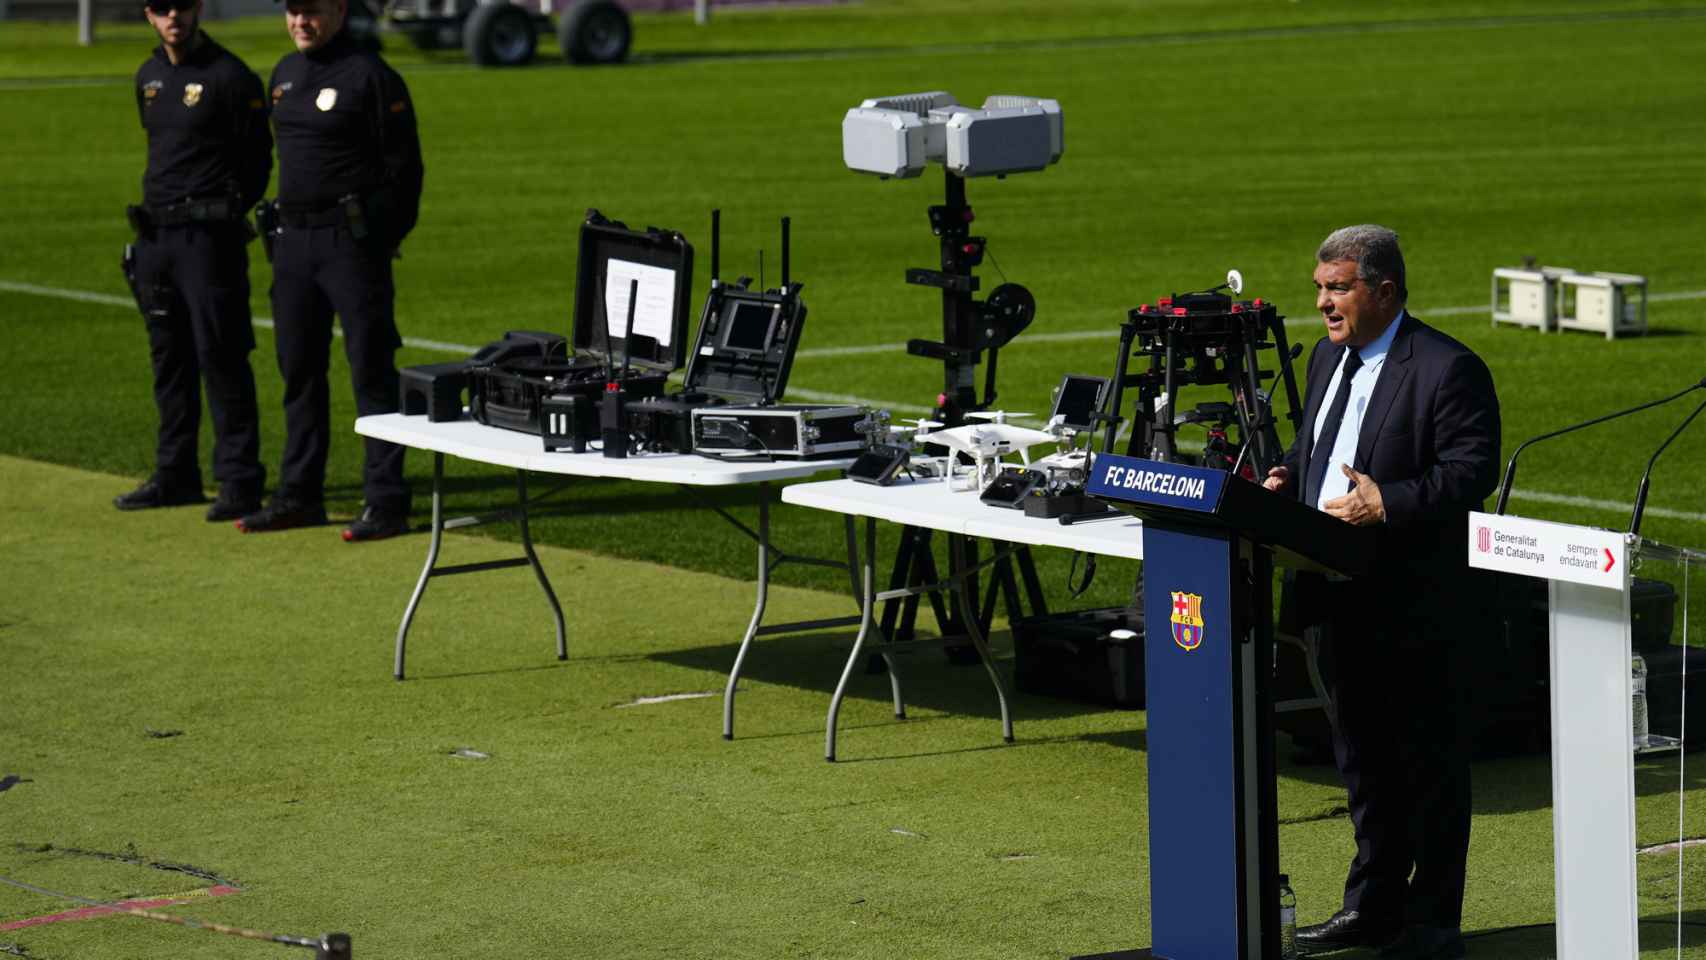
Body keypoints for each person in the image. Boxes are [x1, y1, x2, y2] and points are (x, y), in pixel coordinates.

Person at [1263, 225, 1501, 960]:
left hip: (1413, 599)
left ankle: (1431, 924)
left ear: (1385, 290)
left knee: (1426, 764)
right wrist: (1282, 478)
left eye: (1338, 288)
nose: (1324, 304)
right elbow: (1317, 450)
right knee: (1361, 760)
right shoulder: (1325, 362)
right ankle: (1371, 908)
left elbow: (1470, 471)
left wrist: (1387, 502)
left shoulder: (1446, 367)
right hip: (1332, 594)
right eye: (1319, 289)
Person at [236, 0, 423, 541]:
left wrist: (375, 240)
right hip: (292, 244)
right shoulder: (284, 75)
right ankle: (300, 494)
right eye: (293, 11)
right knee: (298, 369)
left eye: (312, 11)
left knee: (370, 370)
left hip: (350, 245)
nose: (300, 21)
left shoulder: (371, 76)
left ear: (339, 10)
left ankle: (387, 500)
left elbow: (405, 173)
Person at [117, 0, 270, 521]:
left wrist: (223, 212)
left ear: (198, 9)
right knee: (169, 360)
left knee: (221, 356)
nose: (173, 16)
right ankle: (175, 473)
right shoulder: (149, 76)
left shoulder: (230, 77)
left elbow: (258, 160)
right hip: (156, 236)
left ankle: (240, 479)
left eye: (182, 5)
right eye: (162, 8)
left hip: (208, 241)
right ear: (148, 15)